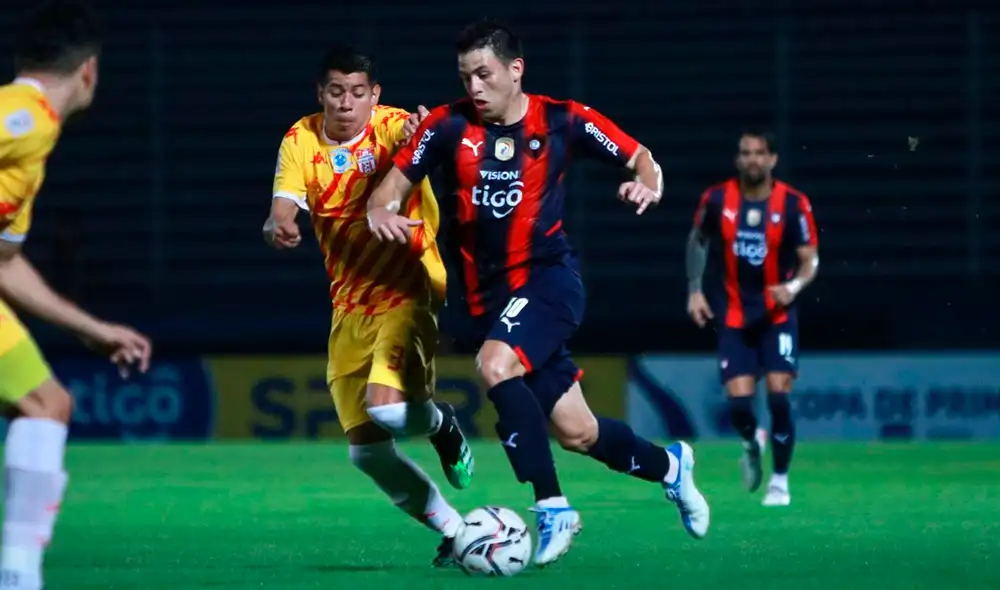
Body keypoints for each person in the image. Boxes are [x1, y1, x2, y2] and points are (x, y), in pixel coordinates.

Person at [366, 19, 709, 567]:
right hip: (488, 302)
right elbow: (388, 190)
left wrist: (648, 183)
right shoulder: (446, 126)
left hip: (548, 283)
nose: (474, 87)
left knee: (495, 366)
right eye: (465, 76)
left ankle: (553, 507)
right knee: (579, 432)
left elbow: (642, 157)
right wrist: (380, 212)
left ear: (515, 70)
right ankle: (672, 468)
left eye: (484, 74)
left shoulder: (563, 120)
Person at [262, 45, 474, 566]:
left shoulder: (394, 127)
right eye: (336, 91)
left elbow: (426, 139)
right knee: (367, 452)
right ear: (321, 93)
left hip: (410, 286)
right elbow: (283, 205)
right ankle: (457, 531)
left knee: (387, 405)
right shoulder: (300, 139)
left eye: (358, 92)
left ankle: (442, 424)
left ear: (374, 95)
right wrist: (277, 223)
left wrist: (426, 133)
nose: (346, 103)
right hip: (349, 304)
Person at [0, 2, 153, 588]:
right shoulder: (26, 117)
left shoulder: (31, 138)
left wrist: (92, 328)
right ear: (88, 71)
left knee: (45, 405)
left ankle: (18, 575)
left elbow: (5, 265)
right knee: (44, 407)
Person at [685, 130, 819, 507]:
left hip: (778, 315)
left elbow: (811, 260)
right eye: (746, 153)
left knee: (779, 397)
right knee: (741, 408)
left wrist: (792, 287)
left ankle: (779, 481)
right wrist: (694, 288)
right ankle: (750, 441)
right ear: (738, 159)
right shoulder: (716, 199)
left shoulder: (793, 204)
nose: (753, 160)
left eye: (760, 153)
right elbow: (697, 241)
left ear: (773, 159)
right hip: (733, 315)